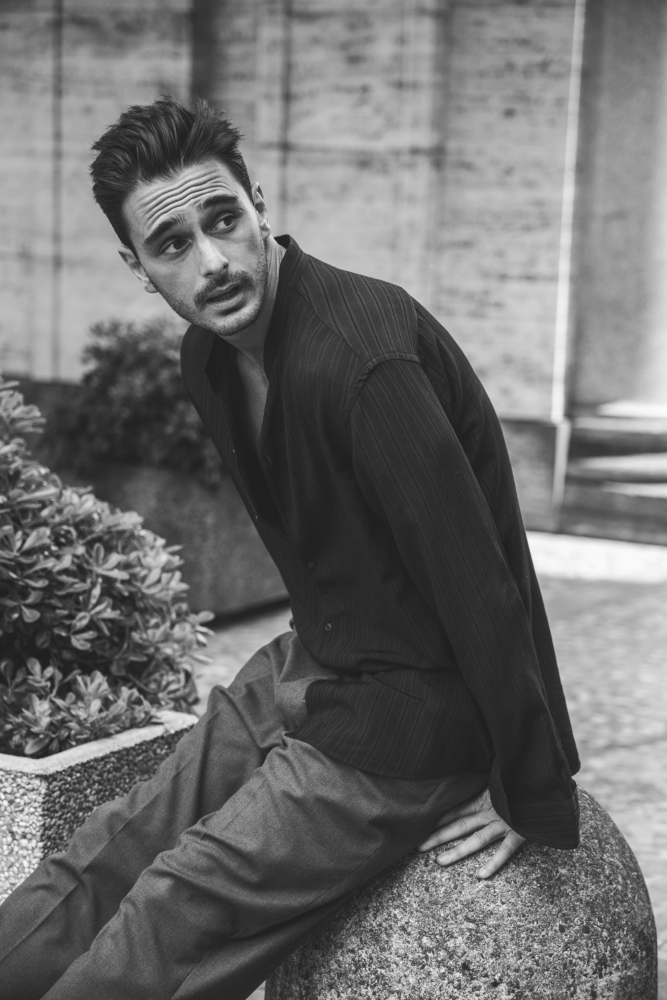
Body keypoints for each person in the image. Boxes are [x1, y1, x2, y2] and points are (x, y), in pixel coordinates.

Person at [0, 96, 580, 1000]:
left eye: (223, 219)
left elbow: (482, 580)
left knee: (176, 900)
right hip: (323, 655)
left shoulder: (362, 362)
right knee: (110, 850)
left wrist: (531, 783)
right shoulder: (209, 360)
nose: (213, 260)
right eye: (172, 244)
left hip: (419, 706)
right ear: (138, 267)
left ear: (259, 204)